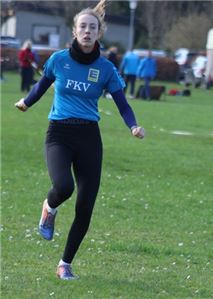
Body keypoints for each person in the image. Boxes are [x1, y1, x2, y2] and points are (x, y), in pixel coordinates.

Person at [14, 0, 145, 280]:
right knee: (63, 187)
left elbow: (122, 103)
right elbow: (42, 84)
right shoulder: (59, 59)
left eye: (92, 27)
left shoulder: (106, 68)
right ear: (74, 31)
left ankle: (65, 263)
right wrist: (26, 102)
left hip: (89, 137)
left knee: (86, 205)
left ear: (99, 33)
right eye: (83, 26)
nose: (87, 31)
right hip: (59, 133)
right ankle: (49, 208)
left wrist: (133, 126)